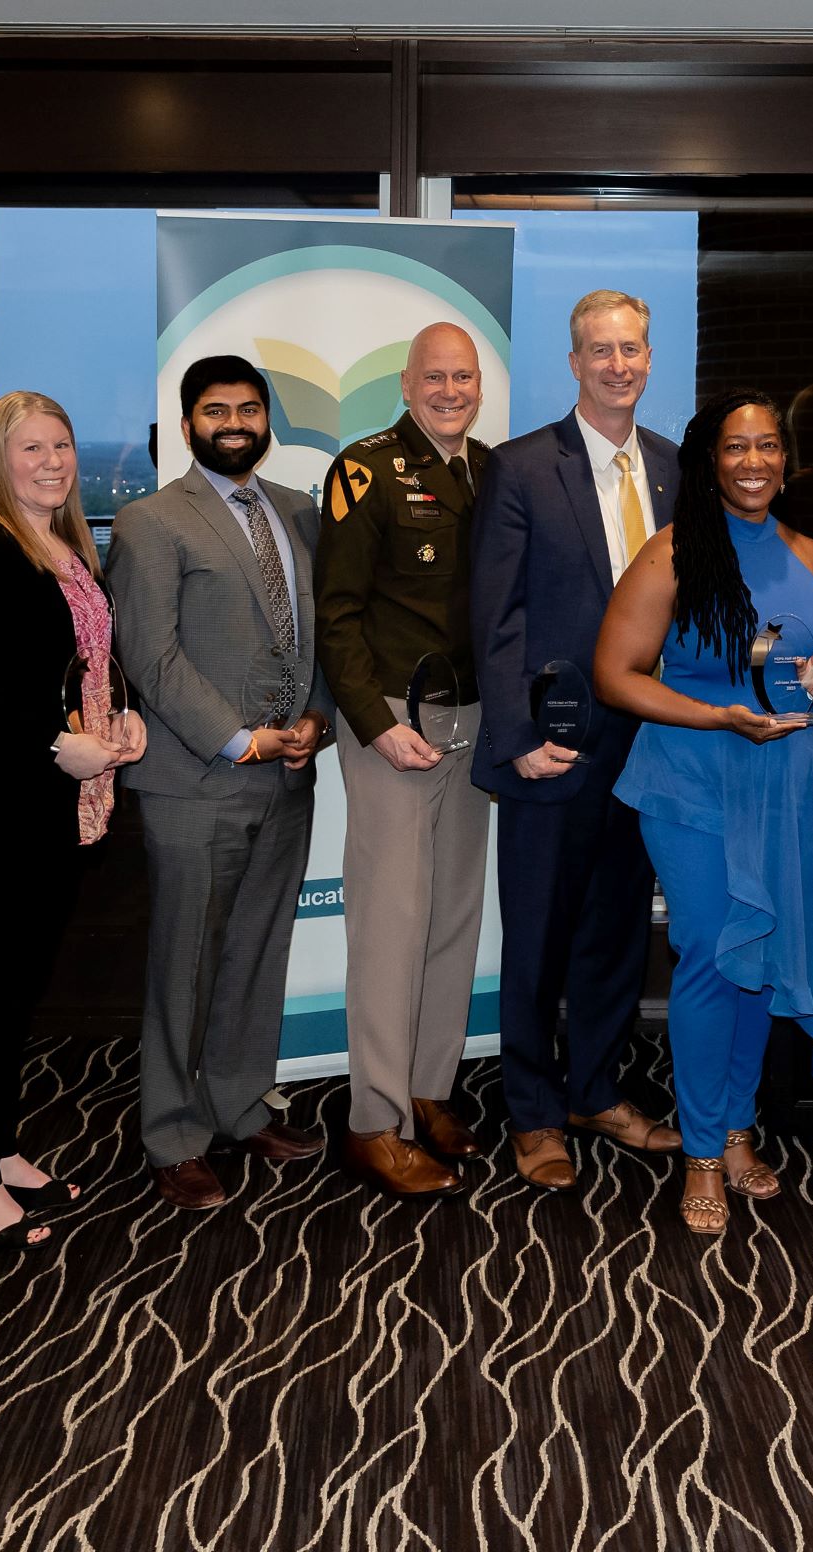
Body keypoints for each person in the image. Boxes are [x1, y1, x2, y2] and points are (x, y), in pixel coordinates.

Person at [595, 389, 813, 1234]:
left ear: (787, 460)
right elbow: (616, 674)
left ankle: (736, 1126)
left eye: (769, 447)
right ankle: (703, 1151)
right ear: (710, 462)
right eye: (737, 448)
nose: (754, 462)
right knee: (712, 955)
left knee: (760, 952)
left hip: (781, 781)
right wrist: (715, 716)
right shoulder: (673, 553)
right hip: (690, 781)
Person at [106, 354, 334, 1211]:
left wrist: (317, 721)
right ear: (188, 420)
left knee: (256, 953)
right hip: (196, 779)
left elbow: (319, 634)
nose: (233, 423)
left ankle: (240, 1105)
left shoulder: (301, 513)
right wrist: (237, 739)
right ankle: (171, 1133)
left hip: (289, 776)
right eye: (215, 410)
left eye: (248, 408)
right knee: (185, 966)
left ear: (268, 419)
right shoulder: (149, 522)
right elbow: (149, 656)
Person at [468, 289, 682, 1191]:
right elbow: (495, 615)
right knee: (539, 935)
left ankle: (595, 1088)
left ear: (647, 356)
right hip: (552, 748)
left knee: (616, 931)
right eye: (600, 350)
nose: (618, 365)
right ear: (574, 363)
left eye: (631, 348)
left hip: (651, 749)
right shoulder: (519, 468)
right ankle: (533, 1111)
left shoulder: (676, 468)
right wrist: (516, 734)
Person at [0, 391, 146, 1248]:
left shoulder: (61, 546)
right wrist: (59, 744)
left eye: (61, 444)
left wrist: (120, 717)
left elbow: (86, 665)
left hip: (57, 809)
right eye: (31, 449)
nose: (52, 461)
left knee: (16, 991)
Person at [315, 323, 493, 1202]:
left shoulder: (489, 469)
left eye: (464, 376)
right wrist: (370, 723)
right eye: (435, 376)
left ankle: (428, 1088)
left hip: (473, 718)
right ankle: (372, 1122)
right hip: (390, 717)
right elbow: (336, 612)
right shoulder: (365, 468)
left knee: (453, 913)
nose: (450, 390)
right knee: (391, 922)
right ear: (407, 381)